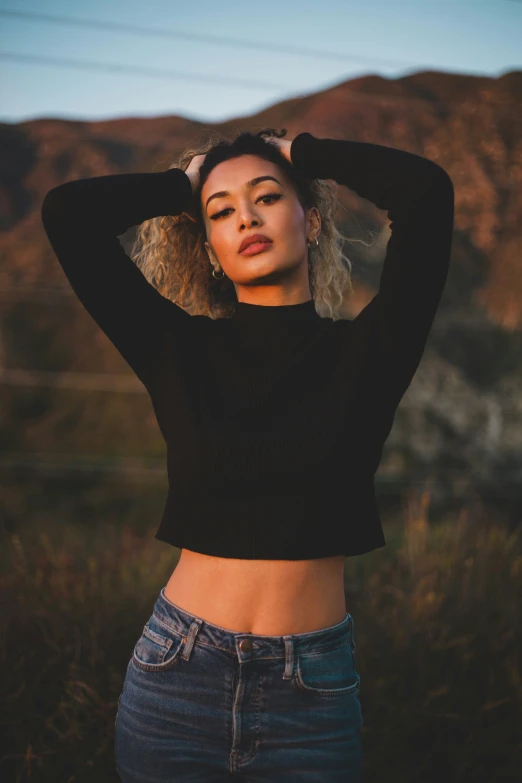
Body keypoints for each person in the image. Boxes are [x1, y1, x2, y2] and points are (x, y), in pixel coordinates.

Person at [40, 127, 454, 781]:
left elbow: (427, 194)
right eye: (222, 211)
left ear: (310, 220)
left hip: (311, 698)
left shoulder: (370, 352)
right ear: (208, 247)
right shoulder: (175, 349)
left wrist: (300, 153)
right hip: (177, 676)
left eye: (266, 197)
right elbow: (67, 214)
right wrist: (187, 181)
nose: (246, 217)